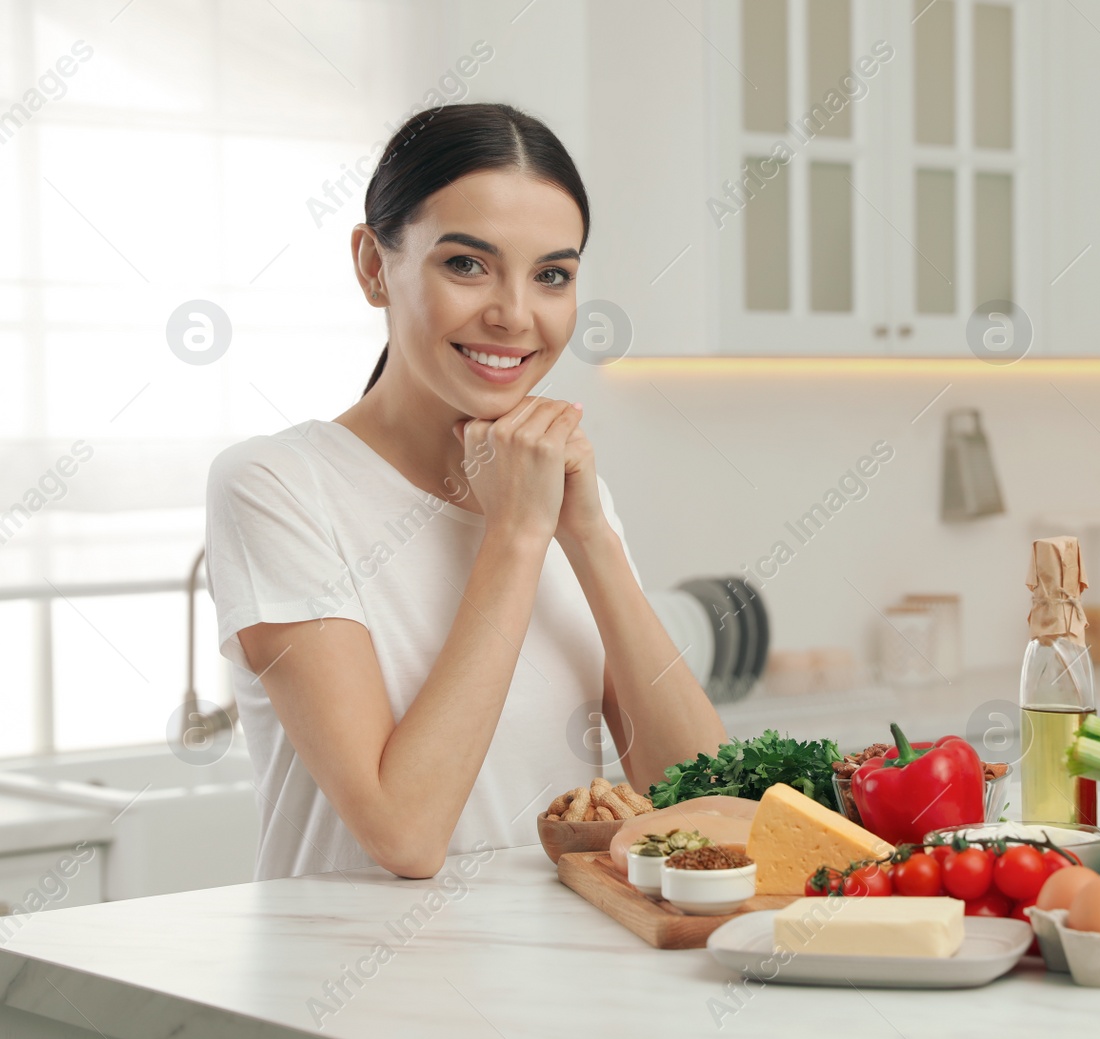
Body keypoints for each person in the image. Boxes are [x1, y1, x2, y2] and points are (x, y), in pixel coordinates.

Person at [204, 103, 727, 881]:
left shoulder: (562, 488)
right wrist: (518, 533)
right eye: (466, 264)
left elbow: (707, 802)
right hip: (344, 993)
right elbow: (405, 834)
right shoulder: (278, 486)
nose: (514, 314)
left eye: (552, 275)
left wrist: (588, 535)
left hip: (561, 986)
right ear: (373, 265)